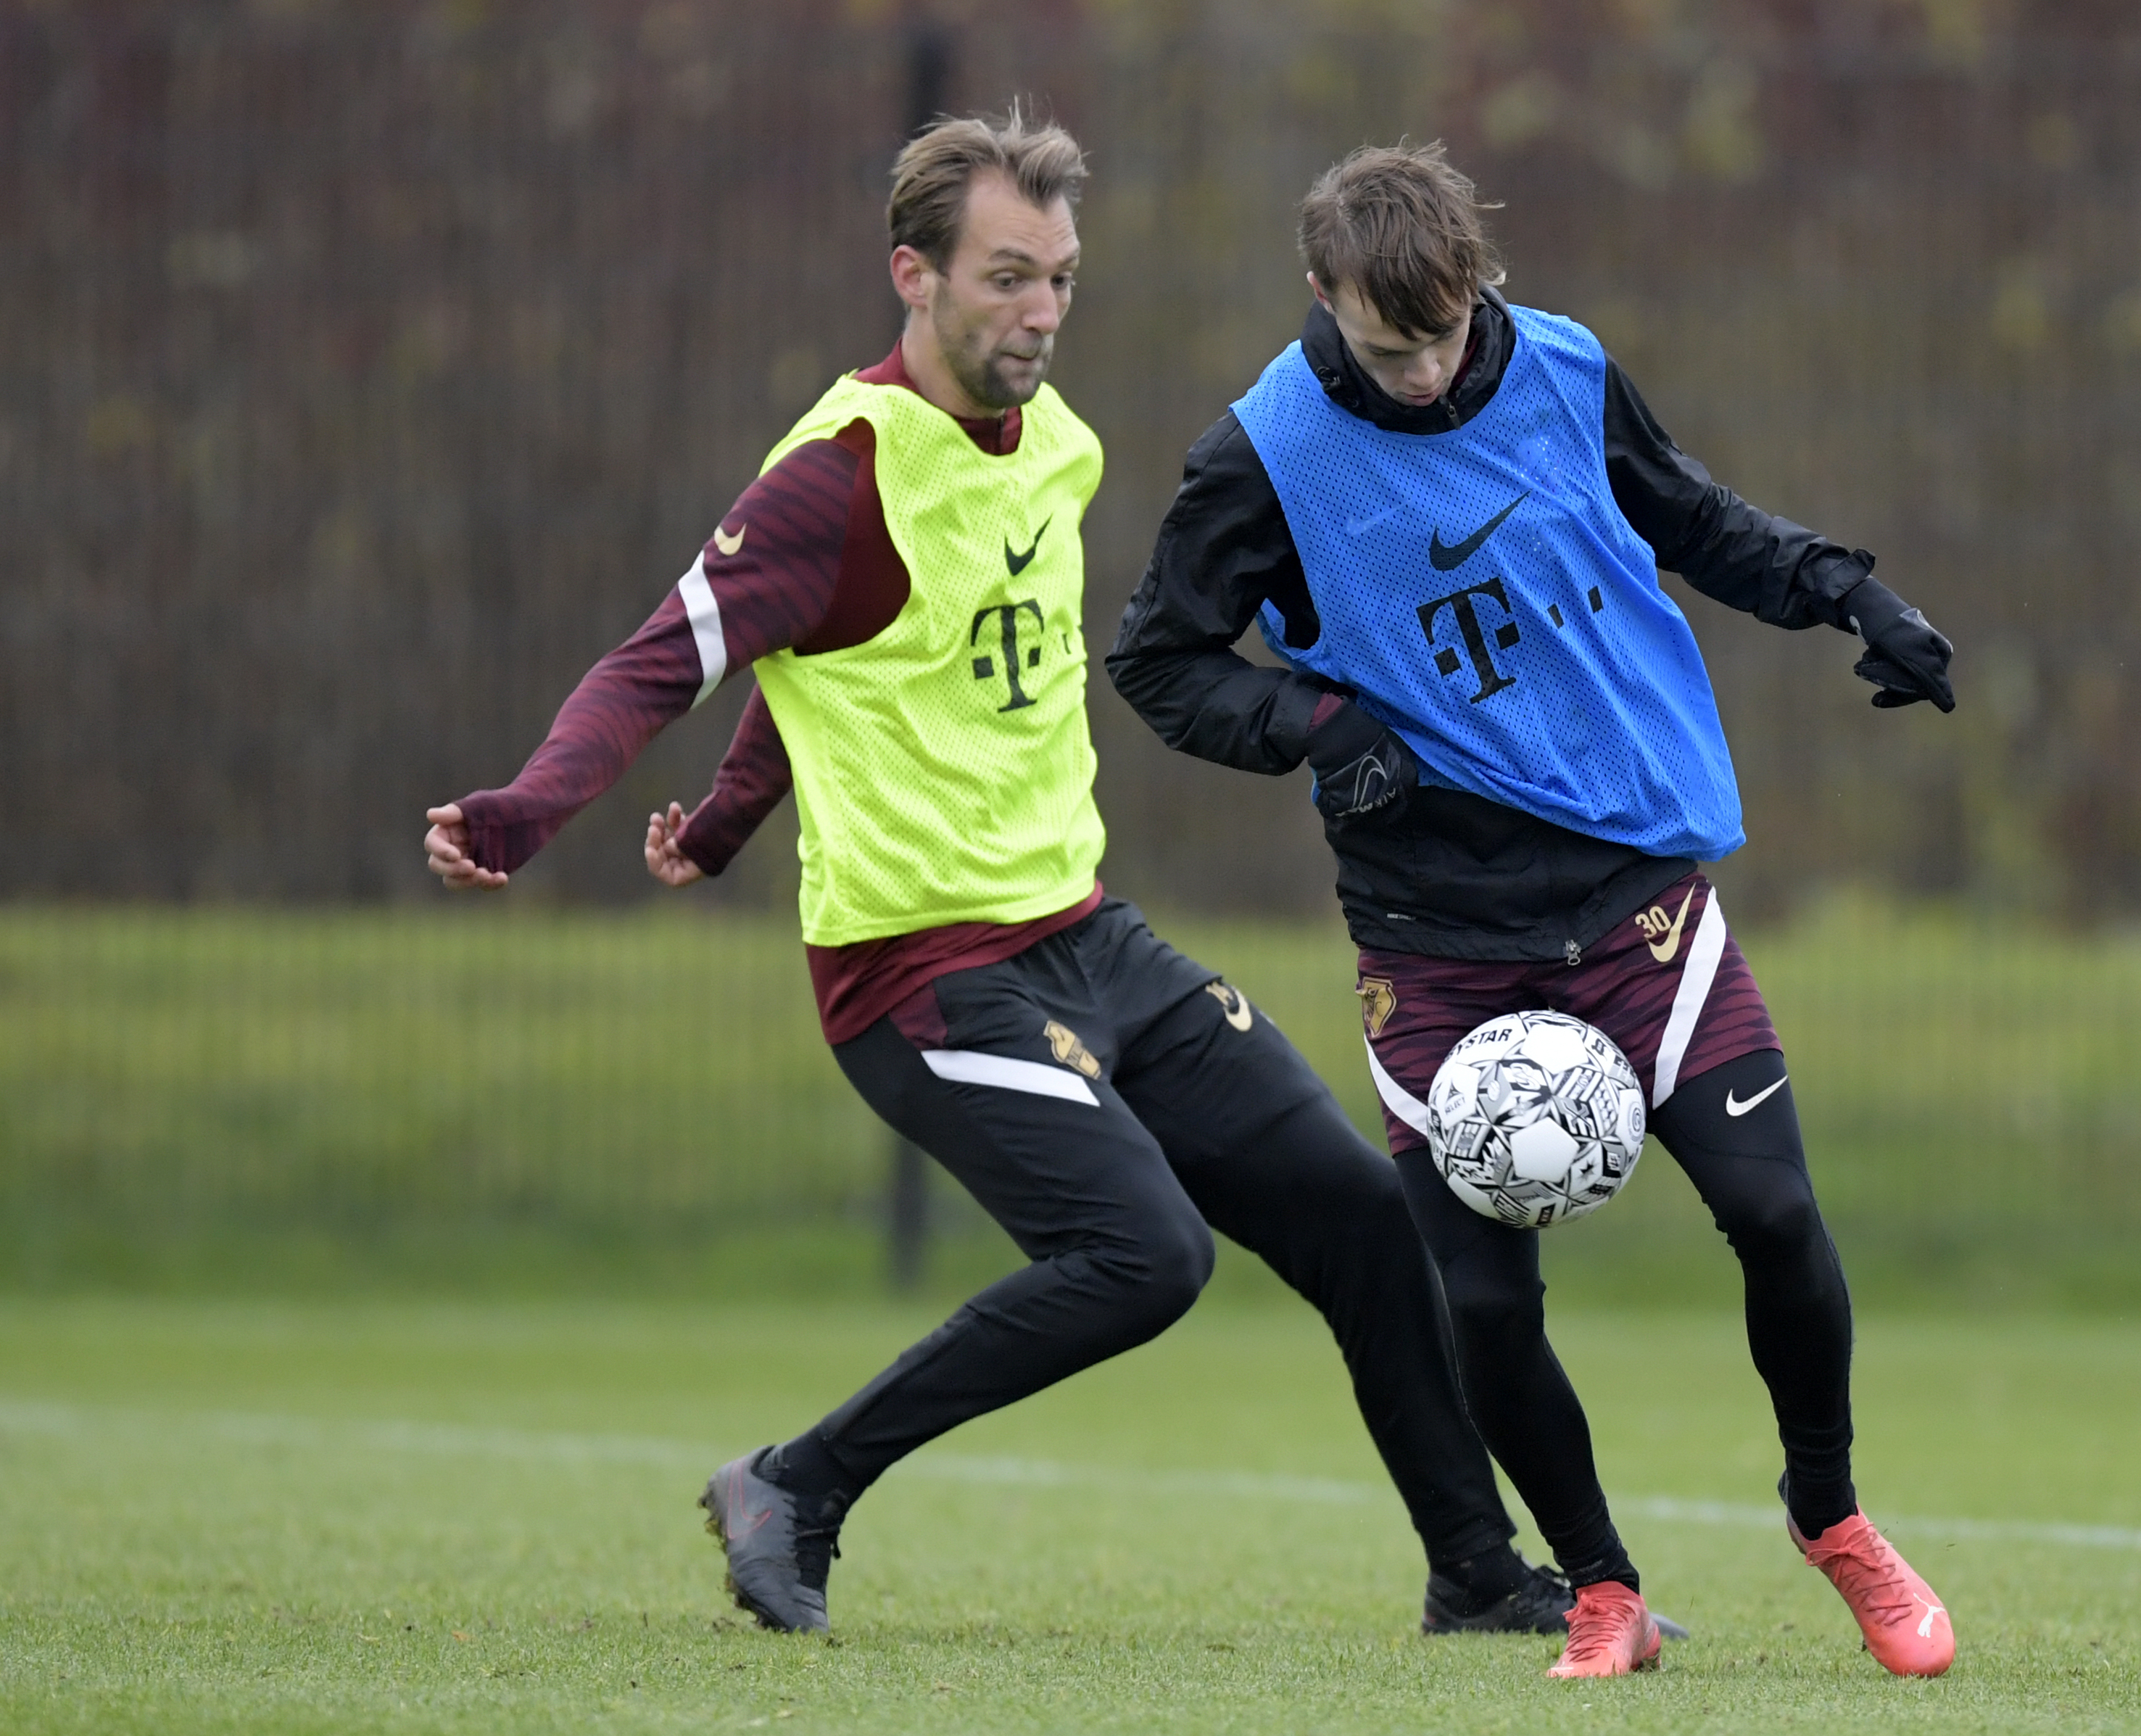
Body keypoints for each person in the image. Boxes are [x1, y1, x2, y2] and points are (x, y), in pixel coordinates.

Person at [421, 110, 1575, 1640]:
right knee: (1141, 1256)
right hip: (920, 975)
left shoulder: (1061, 448)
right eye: (1006, 277)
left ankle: (1478, 1575)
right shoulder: (832, 476)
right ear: (913, 273)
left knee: (1360, 1218)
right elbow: (671, 658)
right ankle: (795, 1483)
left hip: (1091, 940)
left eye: (1062, 280)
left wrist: (723, 822)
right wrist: (528, 807)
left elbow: (852, 662)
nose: (1038, 312)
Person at [1109, 142, 1962, 1679]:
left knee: (1774, 1214)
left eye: (1446, 332)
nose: (1429, 375)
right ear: (1319, 296)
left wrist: (1849, 594)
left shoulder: (1560, 368)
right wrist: (1316, 730)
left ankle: (1830, 1518)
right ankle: (1599, 1588)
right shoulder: (1263, 454)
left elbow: (1694, 521)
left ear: (1477, 282)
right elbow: (1159, 662)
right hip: (1433, 938)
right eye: (1389, 346)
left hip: (1634, 895)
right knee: (1482, 1301)